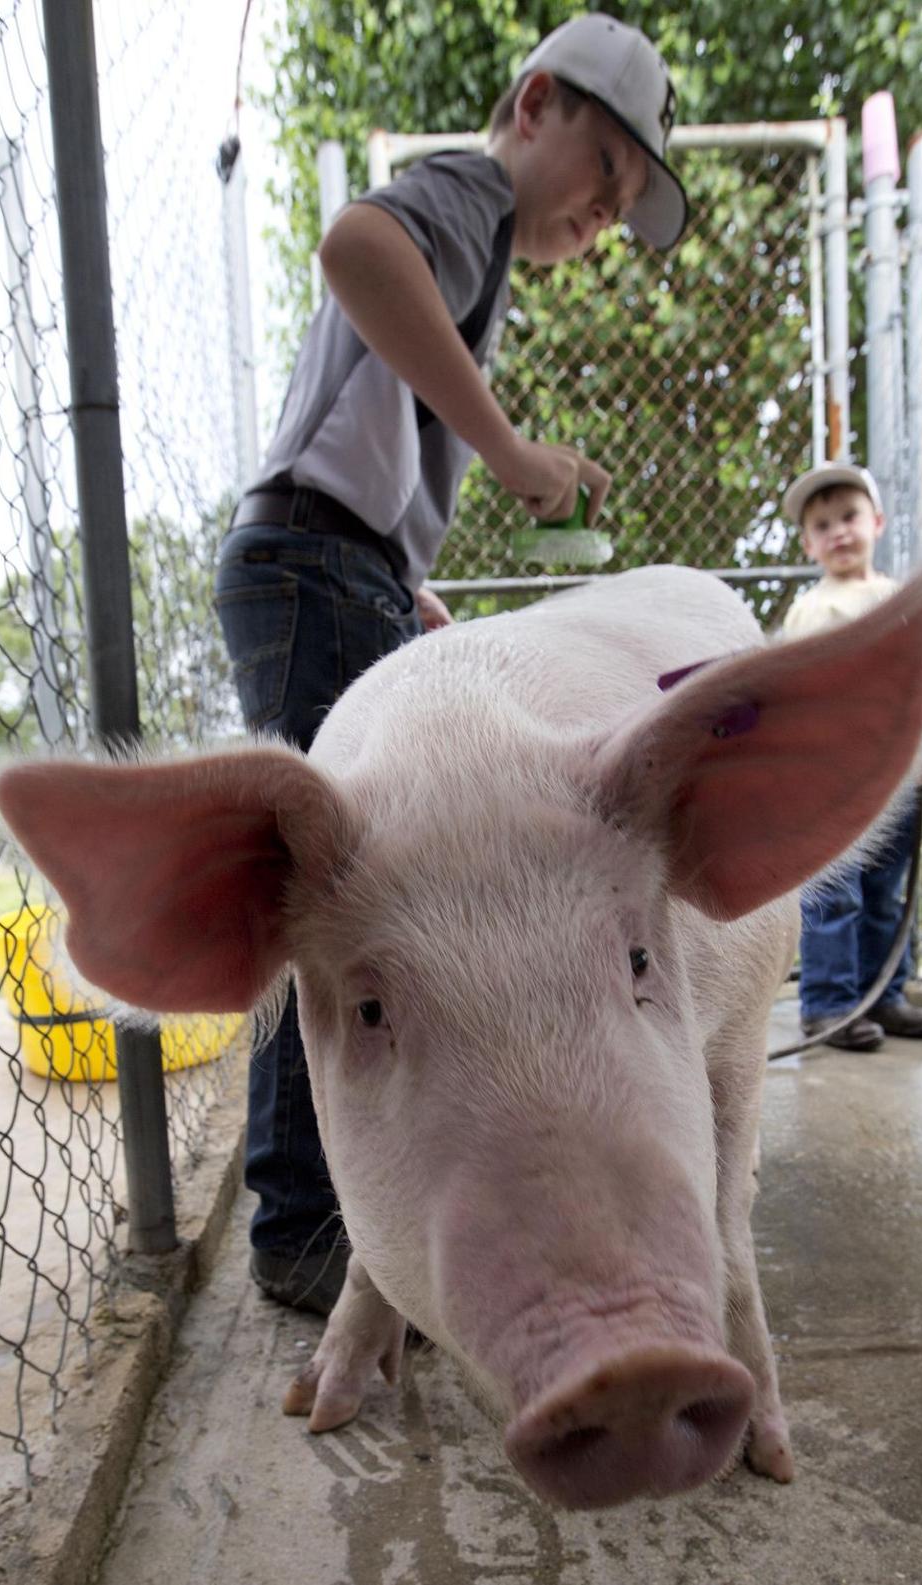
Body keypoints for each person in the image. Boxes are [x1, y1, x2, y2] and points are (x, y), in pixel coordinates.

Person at [214, 15, 689, 1314]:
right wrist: (516, 452)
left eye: (626, 204)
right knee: (335, 909)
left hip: (339, 560)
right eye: (608, 174)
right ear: (537, 103)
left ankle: (328, 1222)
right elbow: (354, 247)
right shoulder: (467, 191)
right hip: (311, 560)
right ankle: (310, 1228)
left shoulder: (484, 246)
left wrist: (396, 573)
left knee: (351, 901)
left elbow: (366, 429)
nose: (605, 212)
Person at [780, 462, 922, 1052]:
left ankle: (886, 994)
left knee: (886, 892)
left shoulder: (900, 601)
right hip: (835, 779)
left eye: (849, 517)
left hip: (899, 776)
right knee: (837, 891)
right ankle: (830, 1005)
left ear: (876, 523)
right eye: (822, 525)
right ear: (808, 544)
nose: (839, 532)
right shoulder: (810, 610)